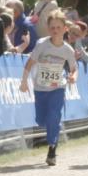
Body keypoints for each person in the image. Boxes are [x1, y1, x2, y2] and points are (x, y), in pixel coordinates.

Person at [20, 9, 78, 166]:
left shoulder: (68, 50)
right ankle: (53, 130)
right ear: (48, 28)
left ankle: (52, 148)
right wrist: (24, 81)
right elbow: (29, 63)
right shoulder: (42, 44)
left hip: (58, 88)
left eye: (59, 27)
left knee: (54, 115)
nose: (55, 31)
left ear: (65, 29)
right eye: (52, 27)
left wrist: (73, 77)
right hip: (40, 88)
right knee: (41, 120)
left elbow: (74, 68)